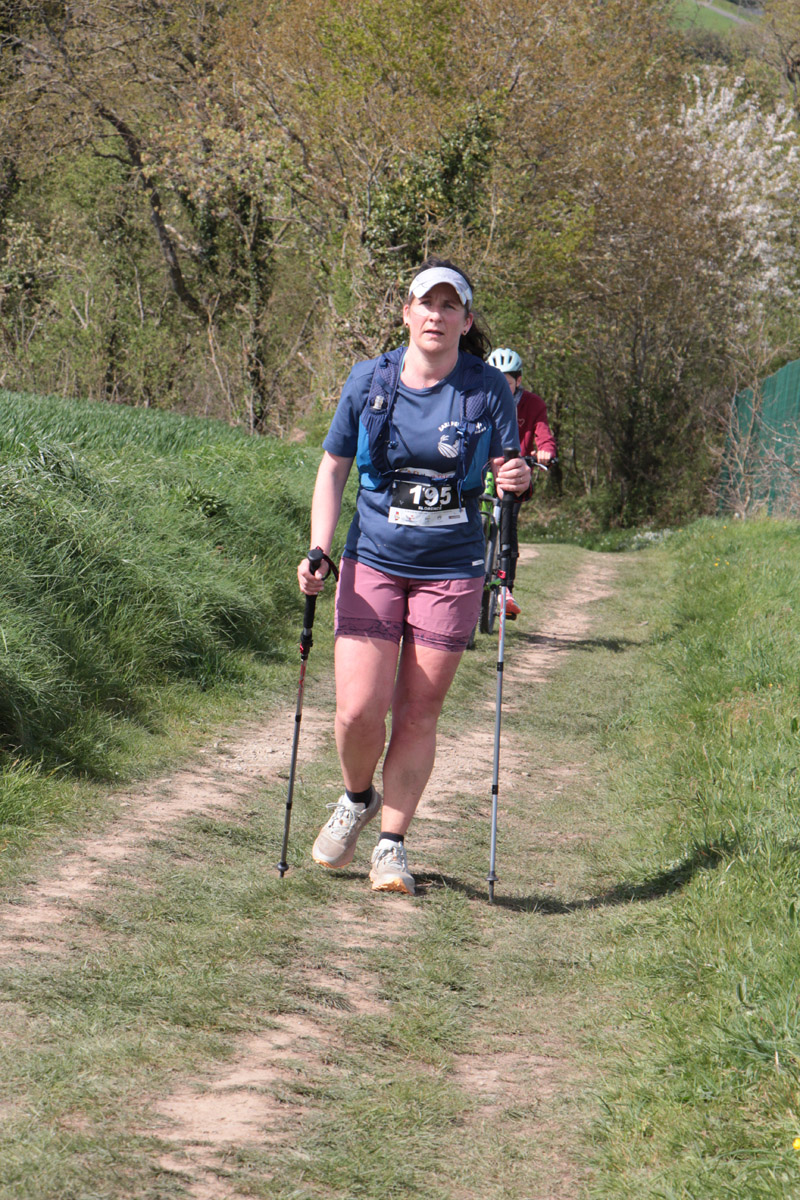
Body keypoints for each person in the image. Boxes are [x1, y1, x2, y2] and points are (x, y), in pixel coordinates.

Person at [297, 258, 531, 896]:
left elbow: (509, 473)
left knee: (418, 712)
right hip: (373, 558)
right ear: (407, 313)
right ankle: (356, 797)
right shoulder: (369, 380)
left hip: (451, 568)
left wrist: (516, 478)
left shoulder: (486, 389)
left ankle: (391, 846)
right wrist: (319, 549)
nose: (437, 315)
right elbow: (333, 468)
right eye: (427, 303)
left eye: (450, 305)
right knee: (357, 712)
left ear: (466, 321)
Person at [486, 347, 557, 617]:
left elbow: (543, 433)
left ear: (518, 380)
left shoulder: (532, 404)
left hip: (514, 472)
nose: (500, 387)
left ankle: (506, 589)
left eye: (506, 382)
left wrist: (545, 451)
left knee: (509, 523)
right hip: (484, 468)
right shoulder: (480, 399)